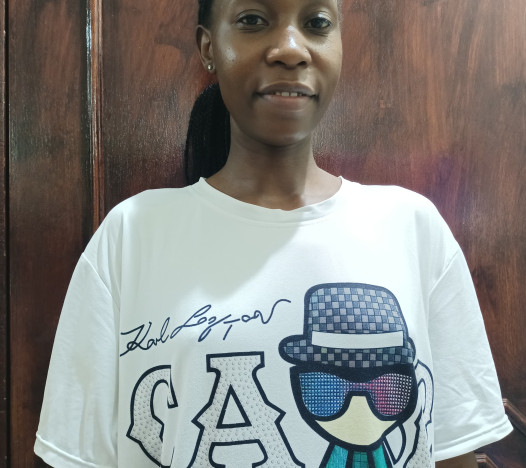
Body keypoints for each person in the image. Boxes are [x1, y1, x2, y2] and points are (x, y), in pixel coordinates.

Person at [34, 0, 512, 467]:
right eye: (252, 19)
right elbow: (74, 454)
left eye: (317, 22)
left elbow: (453, 449)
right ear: (208, 47)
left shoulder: (412, 228)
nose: (290, 48)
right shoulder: (133, 236)